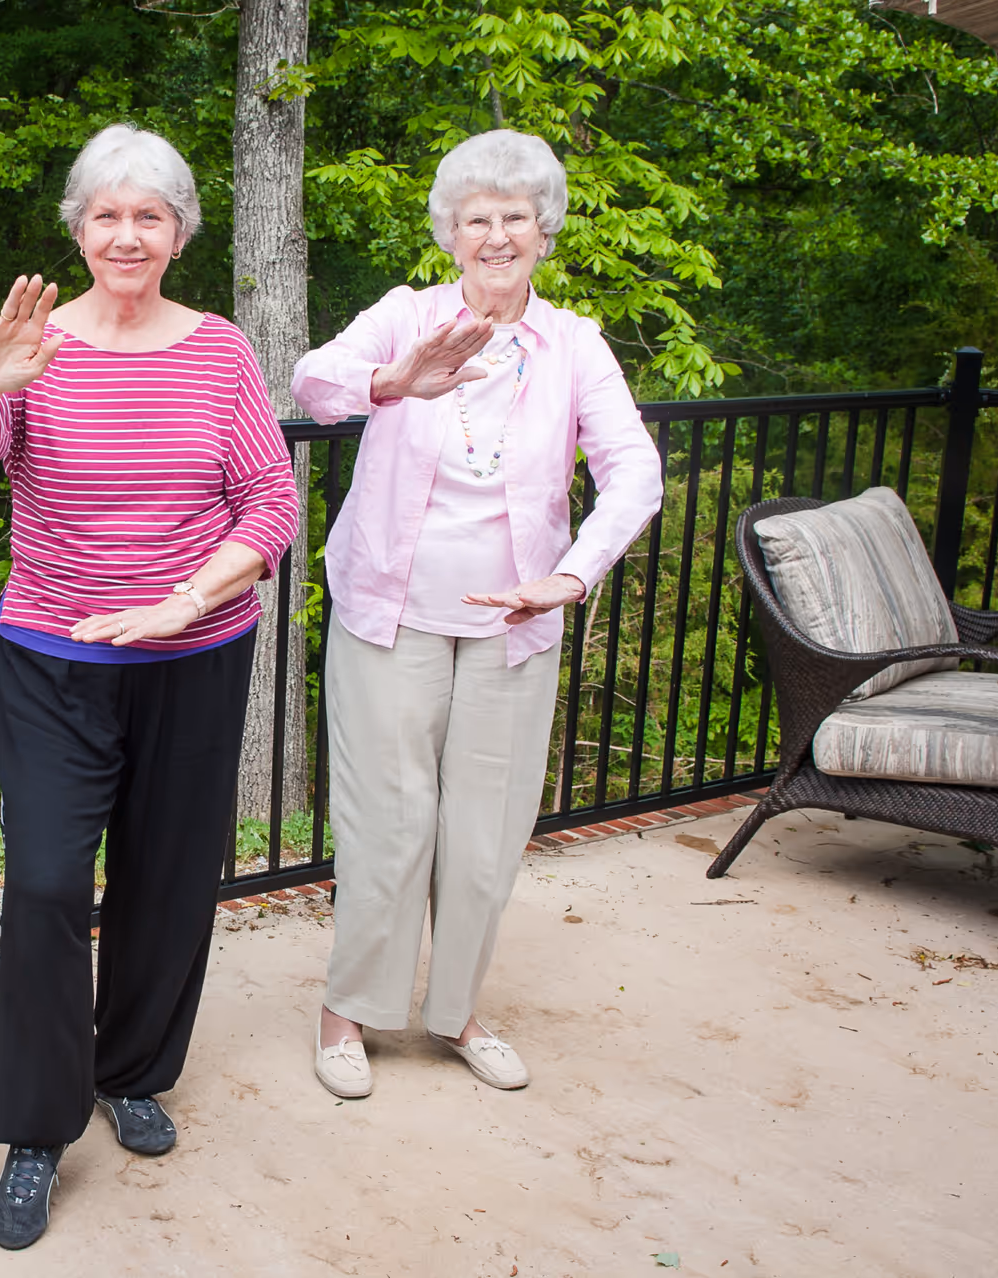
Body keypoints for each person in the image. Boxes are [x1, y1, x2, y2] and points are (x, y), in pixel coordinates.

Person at [0, 123, 300, 1250]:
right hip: (58, 654)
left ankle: (132, 1069)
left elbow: (269, 507)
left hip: (196, 652)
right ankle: (37, 1127)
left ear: (178, 233)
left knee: (170, 875)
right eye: (106, 215)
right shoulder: (38, 347)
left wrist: (185, 601)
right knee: (45, 883)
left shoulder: (219, 351)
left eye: (149, 216)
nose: (126, 234)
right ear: (78, 231)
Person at [292, 129, 662, 1100]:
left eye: (514, 216)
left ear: (544, 229)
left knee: (488, 831)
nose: (496, 235)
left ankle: (455, 1013)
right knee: (387, 822)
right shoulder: (406, 316)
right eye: (476, 218)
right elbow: (309, 380)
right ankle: (349, 1011)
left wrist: (572, 576)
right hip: (391, 613)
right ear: (451, 233)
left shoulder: (575, 345)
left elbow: (634, 473)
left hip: (512, 625)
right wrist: (392, 380)